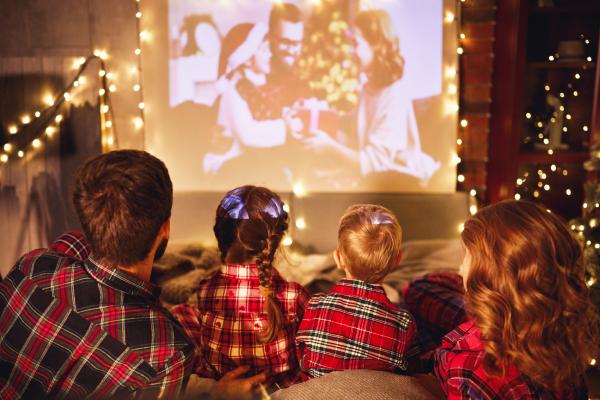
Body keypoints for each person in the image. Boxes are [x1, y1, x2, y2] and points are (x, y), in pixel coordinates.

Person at [0, 150, 265, 398]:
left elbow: (73, 244)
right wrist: (218, 394)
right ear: (165, 228)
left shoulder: (33, 267)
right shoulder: (165, 355)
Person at [407, 200, 598, 399]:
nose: (460, 270)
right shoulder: (566, 352)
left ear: (491, 274)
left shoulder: (473, 372)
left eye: (466, 258)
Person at [171, 186, 309, 390]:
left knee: (180, 313)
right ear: (275, 242)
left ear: (219, 235)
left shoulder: (206, 289)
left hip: (224, 383)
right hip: (280, 388)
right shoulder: (294, 295)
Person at [302, 9, 439, 184]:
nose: (351, 51)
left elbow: (375, 163)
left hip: (403, 183)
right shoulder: (367, 88)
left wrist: (329, 147)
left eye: (356, 43)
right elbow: (358, 144)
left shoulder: (394, 95)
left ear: (376, 45)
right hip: (377, 182)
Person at [296, 204, 416, 379]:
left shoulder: (314, 305)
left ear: (338, 259)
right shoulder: (404, 324)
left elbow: (303, 359)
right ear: (397, 260)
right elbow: (407, 371)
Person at [203, 23, 302, 175]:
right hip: (229, 161)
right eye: (264, 50)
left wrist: (286, 115)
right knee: (269, 170)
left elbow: (265, 115)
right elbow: (248, 135)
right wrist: (284, 126)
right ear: (247, 59)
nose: (270, 55)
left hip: (249, 158)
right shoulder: (233, 90)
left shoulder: (257, 88)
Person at [266, 3, 310, 111]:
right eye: (285, 41)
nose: (291, 50)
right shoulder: (258, 79)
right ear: (270, 37)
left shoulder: (301, 78)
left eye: (296, 43)